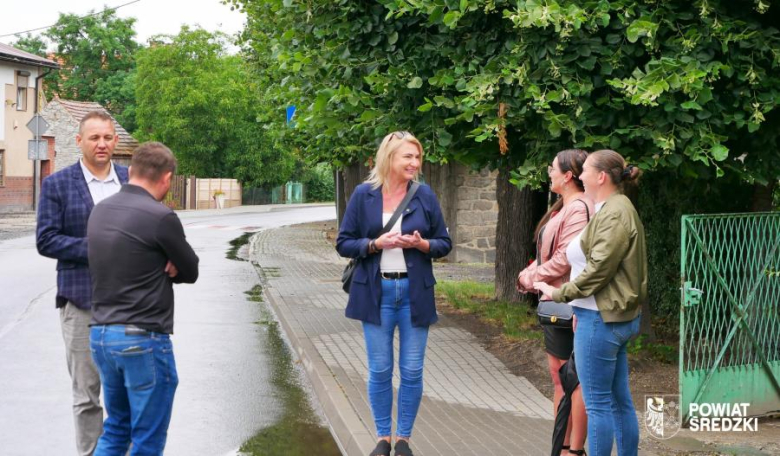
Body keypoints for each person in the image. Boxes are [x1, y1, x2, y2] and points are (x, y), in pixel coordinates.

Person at [336, 131, 452, 456]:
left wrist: (421, 244)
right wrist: (375, 244)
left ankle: (404, 440)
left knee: (412, 369)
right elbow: (343, 242)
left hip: (414, 291)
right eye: (408, 157)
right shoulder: (364, 194)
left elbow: (444, 243)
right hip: (375, 291)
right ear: (390, 158)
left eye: (418, 157)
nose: (415, 163)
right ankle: (382, 438)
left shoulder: (424, 195)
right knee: (380, 368)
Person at [87, 142, 199, 455]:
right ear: (166, 178)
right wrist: (171, 264)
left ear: (131, 171)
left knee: (115, 431)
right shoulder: (161, 217)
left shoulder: (100, 211)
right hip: (142, 339)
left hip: (101, 337)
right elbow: (191, 270)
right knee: (147, 439)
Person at [534, 149, 647, 456]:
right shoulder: (610, 207)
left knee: (598, 405)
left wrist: (559, 293)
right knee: (617, 401)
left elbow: (598, 270)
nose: (580, 175)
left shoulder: (614, 213)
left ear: (600, 177)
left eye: (585, 171)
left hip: (600, 320)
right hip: (606, 316)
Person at [36, 110, 128, 456]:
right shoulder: (57, 185)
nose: (102, 144)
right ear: (79, 141)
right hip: (81, 303)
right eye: (94, 138)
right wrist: (95, 248)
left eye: (107, 137)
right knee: (87, 394)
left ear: (115, 140)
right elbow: (46, 240)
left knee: (129, 392)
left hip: (129, 304)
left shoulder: (129, 180)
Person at [516, 149, 591, 456]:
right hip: (554, 301)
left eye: (552, 168)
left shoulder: (579, 209)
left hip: (568, 303)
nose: (549, 172)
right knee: (560, 378)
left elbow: (565, 259)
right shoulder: (564, 208)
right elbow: (551, 256)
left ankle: (573, 449)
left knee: (574, 380)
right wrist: (532, 272)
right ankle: (561, 445)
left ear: (568, 176)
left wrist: (532, 278)